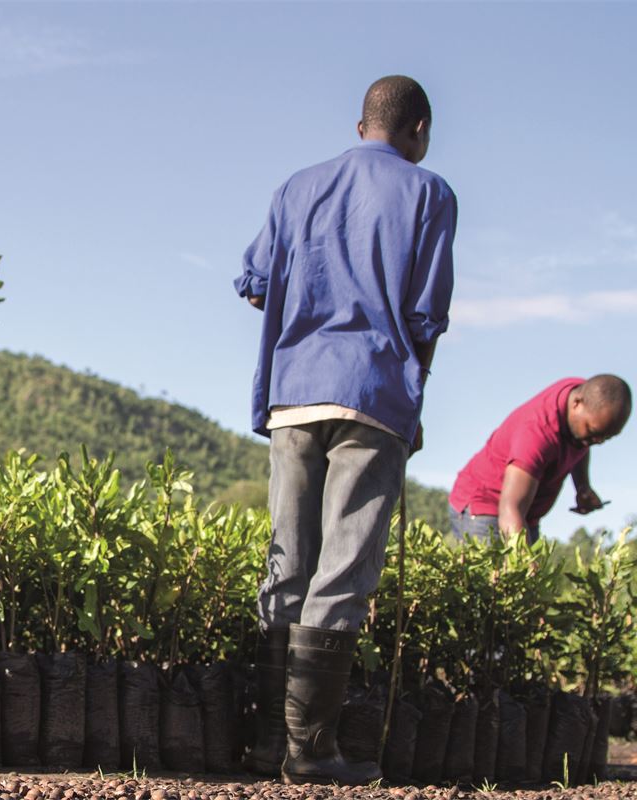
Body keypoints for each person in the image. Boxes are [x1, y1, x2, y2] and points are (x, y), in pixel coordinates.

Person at [234, 75, 456, 785]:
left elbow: (256, 283)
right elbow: (425, 315)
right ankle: (311, 753)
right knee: (343, 570)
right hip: (372, 393)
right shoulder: (429, 193)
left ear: (362, 126)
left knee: (288, 560)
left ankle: (272, 743)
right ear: (417, 129)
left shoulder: (297, 188)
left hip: (295, 394)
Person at [448, 375, 631, 543]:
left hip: (526, 516)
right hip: (486, 510)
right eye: (592, 432)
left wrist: (583, 486)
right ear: (577, 404)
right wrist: (525, 560)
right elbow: (511, 509)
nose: (597, 442)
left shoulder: (585, 397)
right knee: (508, 575)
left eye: (607, 437)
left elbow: (581, 445)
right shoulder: (535, 434)